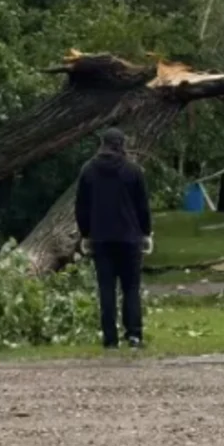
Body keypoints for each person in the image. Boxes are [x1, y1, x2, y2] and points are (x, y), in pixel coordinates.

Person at [75, 127, 152, 349]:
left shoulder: (88, 170)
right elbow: (142, 206)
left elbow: (81, 207)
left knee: (106, 288)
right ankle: (134, 335)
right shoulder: (133, 170)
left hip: (101, 238)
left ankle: (110, 338)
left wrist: (85, 233)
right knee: (131, 287)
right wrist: (146, 232)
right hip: (129, 238)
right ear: (122, 144)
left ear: (102, 144)